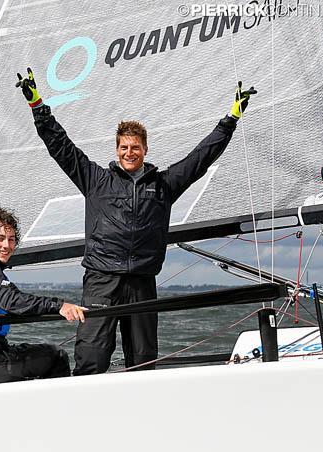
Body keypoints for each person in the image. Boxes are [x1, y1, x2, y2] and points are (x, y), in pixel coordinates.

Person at [16, 67, 256, 375]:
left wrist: (230, 120)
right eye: (124, 147)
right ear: (116, 150)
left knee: (143, 360)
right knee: (92, 357)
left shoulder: (163, 185)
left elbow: (200, 159)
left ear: (145, 150)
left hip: (142, 281)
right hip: (102, 280)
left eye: (136, 147)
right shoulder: (95, 180)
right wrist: (38, 106)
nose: (130, 152)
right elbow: (61, 147)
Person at [0, 207, 85, 386]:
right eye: (0, 238)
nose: (6, 246)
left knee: (34, 355)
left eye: (11, 240)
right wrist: (59, 306)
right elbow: (14, 302)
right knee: (56, 356)